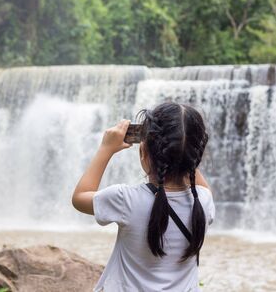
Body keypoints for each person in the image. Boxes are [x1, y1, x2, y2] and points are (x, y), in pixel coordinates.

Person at [72, 102, 216, 291]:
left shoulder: (125, 199)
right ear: (196, 155)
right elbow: (199, 185)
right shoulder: (204, 201)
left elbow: (79, 197)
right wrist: (184, 151)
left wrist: (106, 148)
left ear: (144, 152)